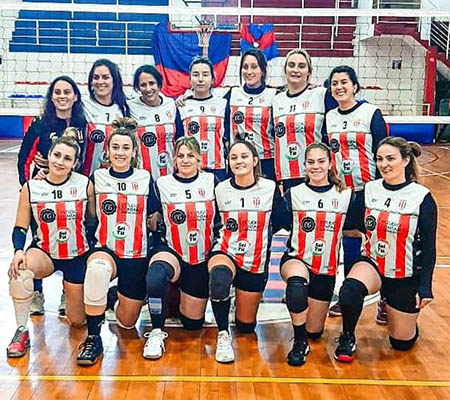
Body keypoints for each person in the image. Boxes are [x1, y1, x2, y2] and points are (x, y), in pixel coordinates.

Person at [333, 137, 437, 363]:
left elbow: (429, 247)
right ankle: (347, 336)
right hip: (373, 263)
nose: (384, 164)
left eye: (390, 158)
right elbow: (350, 225)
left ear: (406, 160)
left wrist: (425, 287)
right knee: (350, 290)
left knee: (401, 343)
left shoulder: (421, 197)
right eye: (379, 159)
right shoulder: (370, 189)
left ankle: (400, 314)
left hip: (404, 272)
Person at [77, 117, 155, 366]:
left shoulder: (145, 178)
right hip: (106, 249)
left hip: (136, 254)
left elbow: (154, 216)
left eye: (125, 148)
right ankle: (93, 338)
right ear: (108, 151)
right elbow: (90, 217)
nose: (120, 153)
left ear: (134, 152)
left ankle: (112, 297)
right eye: (115, 147)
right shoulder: (97, 178)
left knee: (127, 322)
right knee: (97, 270)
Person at [7, 136, 89, 357]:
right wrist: (18, 251)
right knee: (20, 272)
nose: (60, 162)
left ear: (75, 163)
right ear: (49, 156)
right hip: (45, 253)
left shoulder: (84, 184)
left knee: (77, 321)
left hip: (77, 255)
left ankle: (98, 297)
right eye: (57, 155)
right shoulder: (32, 187)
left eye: (67, 158)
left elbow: (92, 222)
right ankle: (21, 331)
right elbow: (20, 227)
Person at [208, 140, 284, 363]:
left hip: (255, 260)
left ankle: (234, 301)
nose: (239, 161)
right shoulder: (220, 189)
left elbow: (281, 221)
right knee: (219, 279)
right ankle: (223, 333)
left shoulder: (269, 188)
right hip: (225, 250)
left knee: (246, 326)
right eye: (233, 157)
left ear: (255, 160)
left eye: (244, 156)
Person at [17, 75, 87, 316]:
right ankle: (36, 292)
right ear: (51, 96)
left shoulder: (83, 124)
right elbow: (24, 158)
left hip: (73, 193)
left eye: (67, 92)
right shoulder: (40, 124)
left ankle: (70, 290)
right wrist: (28, 188)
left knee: (75, 238)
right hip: (43, 193)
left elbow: (86, 157)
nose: (62, 96)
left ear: (75, 96)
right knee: (41, 238)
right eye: (57, 92)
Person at [143, 136, 217, 359]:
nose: (185, 160)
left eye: (191, 156)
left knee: (192, 324)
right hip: (172, 250)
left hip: (200, 256)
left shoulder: (213, 181)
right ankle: (156, 332)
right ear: (174, 159)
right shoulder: (162, 184)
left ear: (199, 159)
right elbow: (149, 216)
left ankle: (176, 299)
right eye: (181, 156)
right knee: (155, 277)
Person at [279, 143, 353, 366]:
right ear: (304, 165)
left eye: (321, 161)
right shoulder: (293, 194)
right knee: (296, 284)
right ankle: (299, 342)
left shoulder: (346, 195)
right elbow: (276, 224)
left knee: (315, 330)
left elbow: (356, 229)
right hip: (297, 258)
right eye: (311, 162)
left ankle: (307, 335)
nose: (316, 166)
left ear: (330, 164)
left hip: (326, 268)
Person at [326, 65, 388, 320]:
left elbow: (384, 150)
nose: (339, 87)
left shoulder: (370, 113)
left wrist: (383, 187)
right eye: (334, 83)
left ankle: (387, 298)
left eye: (344, 82)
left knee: (380, 243)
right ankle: (349, 297)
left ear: (355, 86)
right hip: (344, 191)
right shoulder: (329, 117)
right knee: (350, 239)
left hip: (370, 189)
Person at [272, 49, 337, 193]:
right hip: (288, 174)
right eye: (291, 65)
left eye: (301, 66)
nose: (295, 70)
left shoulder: (321, 95)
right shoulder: (276, 100)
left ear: (309, 72)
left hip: (316, 172)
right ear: (285, 70)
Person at [176, 56, 230, 182]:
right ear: (190, 80)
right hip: (190, 168)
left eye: (205, 75)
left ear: (212, 79)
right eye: (195, 75)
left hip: (218, 169)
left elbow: (228, 137)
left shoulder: (223, 104)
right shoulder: (182, 106)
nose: (200, 79)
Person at [229, 48, 277, 180]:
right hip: (240, 161)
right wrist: (186, 97)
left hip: (266, 160)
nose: (249, 72)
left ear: (263, 70)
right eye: (245, 67)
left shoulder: (275, 96)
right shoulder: (232, 94)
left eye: (254, 67)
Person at [82, 59, 130, 176]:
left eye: (105, 77)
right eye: (96, 77)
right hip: (85, 177)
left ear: (114, 80)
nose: (100, 81)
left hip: (114, 178)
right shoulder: (81, 105)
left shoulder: (125, 108)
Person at [129, 65, 177, 181]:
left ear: (159, 84)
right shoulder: (130, 107)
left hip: (170, 175)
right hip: (142, 177)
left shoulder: (171, 105)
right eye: (143, 85)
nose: (148, 89)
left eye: (152, 83)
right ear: (138, 88)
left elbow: (180, 138)